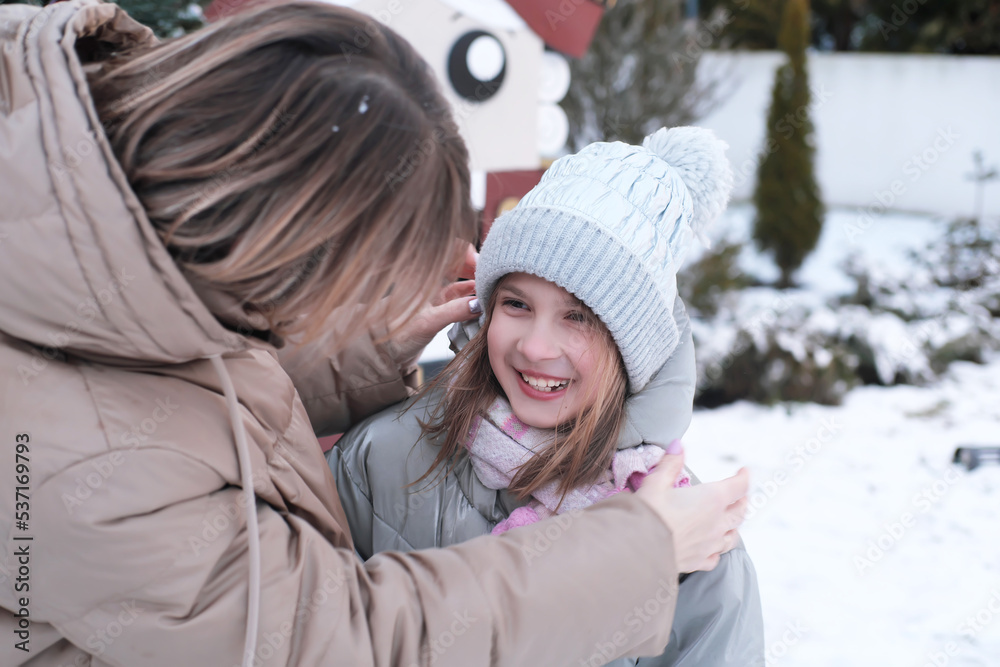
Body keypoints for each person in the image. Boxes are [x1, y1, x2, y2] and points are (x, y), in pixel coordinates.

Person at [0, 2, 749, 666]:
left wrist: (345, 360)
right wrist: (631, 558)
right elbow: (340, 638)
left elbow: (177, 375)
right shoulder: (79, 468)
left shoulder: (85, 255)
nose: (535, 344)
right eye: (364, 273)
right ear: (280, 241)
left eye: (580, 314)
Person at [328, 127, 764, 666]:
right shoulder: (383, 457)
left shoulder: (691, 535)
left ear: (635, 348)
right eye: (515, 304)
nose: (535, 346)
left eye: (577, 316)